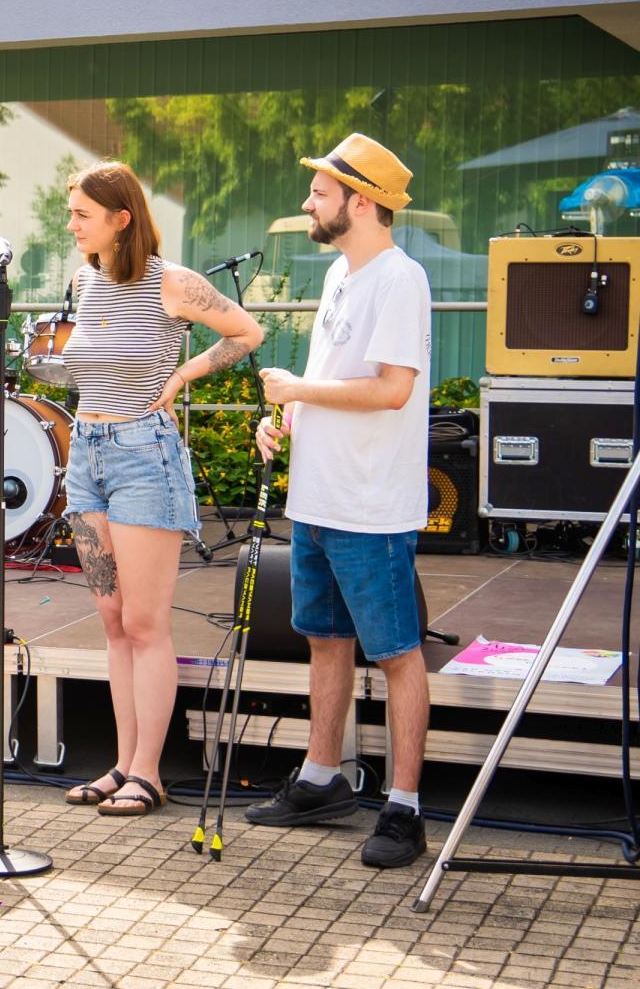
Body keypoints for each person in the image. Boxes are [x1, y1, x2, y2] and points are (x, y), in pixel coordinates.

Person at [247, 133, 433, 870]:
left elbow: (392, 388)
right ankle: (322, 779)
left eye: (320, 192)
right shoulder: (338, 275)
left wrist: (299, 390)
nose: (308, 202)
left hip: (371, 509)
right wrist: (286, 416)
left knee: (396, 654)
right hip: (320, 500)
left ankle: (406, 810)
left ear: (362, 201)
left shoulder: (400, 278)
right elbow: (336, 378)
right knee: (325, 639)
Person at [57, 161, 263, 818]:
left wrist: (182, 379)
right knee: (115, 623)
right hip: (87, 455)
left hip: (145, 456)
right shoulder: (84, 279)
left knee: (146, 625)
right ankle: (122, 765)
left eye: (82, 214)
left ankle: (148, 772)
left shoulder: (172, 282)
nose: (71, 224)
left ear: (121, 218)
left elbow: (247, 332)